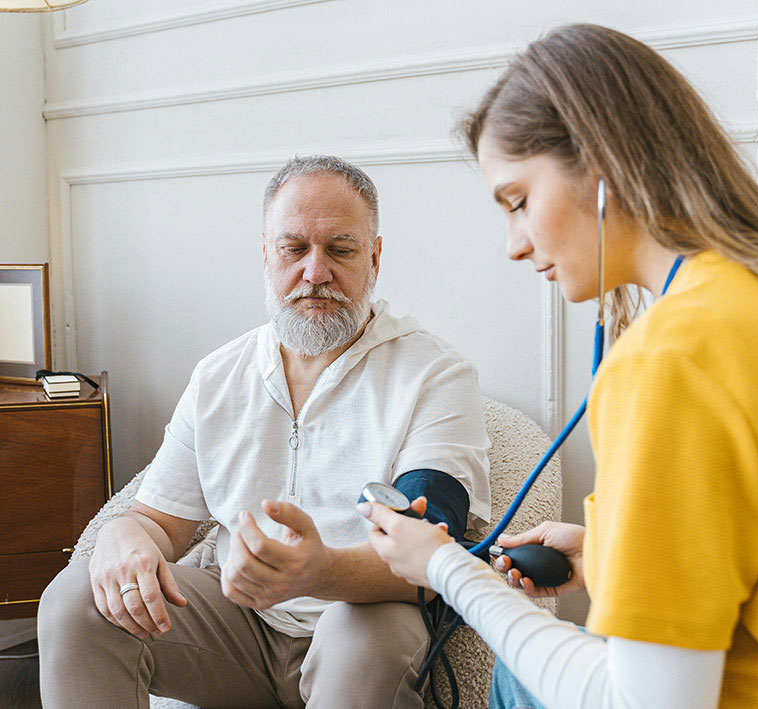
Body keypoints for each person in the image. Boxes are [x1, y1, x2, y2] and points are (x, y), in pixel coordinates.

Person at [359, 24, 758, 709]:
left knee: (518, 673)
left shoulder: (671, 359)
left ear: (601, 165)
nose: (512, 244)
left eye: (518, 201)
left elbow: (650, 702)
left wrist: (446, 568)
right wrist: (612, 553)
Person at [38, 155, 491, 709]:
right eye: (294, 248)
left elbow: (432, 550)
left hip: (357, 620)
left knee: (361, 641)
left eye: (340, 250)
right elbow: (159, 519)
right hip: (239, 626)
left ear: (374, 257)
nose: (315, 272)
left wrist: (319, 572)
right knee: (74, 599)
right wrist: (122, 536)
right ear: (266, 256)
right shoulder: (219, 375)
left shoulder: (435, 375)